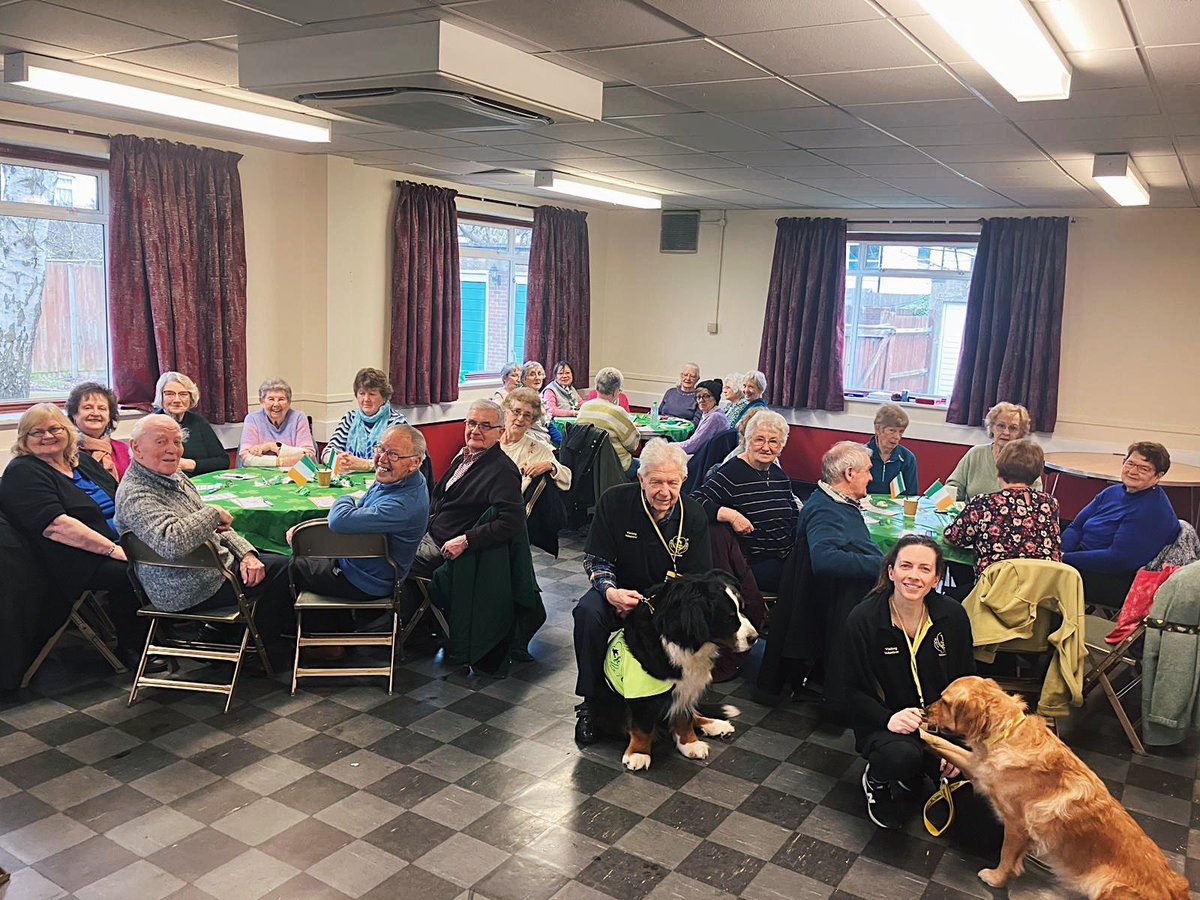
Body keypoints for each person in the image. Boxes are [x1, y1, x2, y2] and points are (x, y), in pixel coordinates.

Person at [573, 439, 712, 745]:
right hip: (619, 592)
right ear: (640, 478)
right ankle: (590, 703)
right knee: (587, 613)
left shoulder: (695, 515)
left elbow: (697, 582)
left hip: (667, 605)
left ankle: (676, 706)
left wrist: (657, 608)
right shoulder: (614, 501)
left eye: (672, 482)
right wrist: (610, 592)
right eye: (656, 482)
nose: (664, 491)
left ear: (683, 480)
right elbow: (596, 560)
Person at [115, 415, 292, 638]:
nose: (173, 450)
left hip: (213, 569)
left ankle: (232, 636)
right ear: (136, 448)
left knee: (270, 558)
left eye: (177, 442)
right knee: (286, 569)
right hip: (186, 588)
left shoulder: (174, 476)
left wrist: (246, 553)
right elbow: (172, 543)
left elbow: (216, 527)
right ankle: (258, 648)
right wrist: (213, 512)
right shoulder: (136, 494)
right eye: (161, 442)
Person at [0, 404, 147, 668]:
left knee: (172, 552)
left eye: (54, 428)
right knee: (131, 572)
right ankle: (132, 647)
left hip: (118, 541)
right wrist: (114, 550)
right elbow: (57, 527)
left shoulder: (81, 461)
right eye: (37, 432)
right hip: (72, 558)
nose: (48, 436)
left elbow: (121, 496)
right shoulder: (23, 472)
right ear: (24, 438)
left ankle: (173, 633)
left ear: (67, 431)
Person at [844, 535, 975, 830]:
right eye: (905, 566)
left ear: (936, 578)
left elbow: (968, 683)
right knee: (902, 756)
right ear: (891, 572)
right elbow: (848, 689)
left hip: (942, 728)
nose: (913, 576)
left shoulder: (953, 616)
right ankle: (877, 779)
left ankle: (926, 769)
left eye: (924, 569)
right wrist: (888, 718)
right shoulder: (863, 619)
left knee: (983, 822)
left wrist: (957, 746)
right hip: (886, 726)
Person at [289, 425, 429, 650]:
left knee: (282, 566)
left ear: (415, 462)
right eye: (380, 449)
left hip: (365, 581)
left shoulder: (403, 504)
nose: (382, 459)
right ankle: (333, 635)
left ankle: (309, 645)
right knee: (297, 554)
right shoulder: (397, 480)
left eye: (393, 454)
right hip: (356, 564)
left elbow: (340, 520)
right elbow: (356, 512)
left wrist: (343, 496)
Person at [410, 400, 525, 577]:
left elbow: (513, 522)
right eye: (471, 423)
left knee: (380, 559)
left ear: (500, 432)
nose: (475, 430)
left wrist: (466, 540)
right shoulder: (464, 457)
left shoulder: (503, 471)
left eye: (485, 426)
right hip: (427, 533)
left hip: (444, 549)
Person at [1062, 441, 1182, 608]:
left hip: (1114, 577)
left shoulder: (1152, 509)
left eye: (1144, 468)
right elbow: (1076, 526)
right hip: (1083, 557)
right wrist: (1060, 551)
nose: (1133, 471)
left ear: (1158, 476)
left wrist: (1063, 559)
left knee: (1040, 576)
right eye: (1130, 463)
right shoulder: (1113, 491)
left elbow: (1117, 560)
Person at [694, 410, 800, 592]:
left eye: (773, 441)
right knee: (810, 580)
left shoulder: (777, 473)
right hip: (754, 564)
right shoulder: (733, 472)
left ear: (781, 446)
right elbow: (694, 502)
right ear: (747, 440)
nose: (766, 447)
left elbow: (793, 513)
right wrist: (731, 515)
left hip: (785, 556)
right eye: (759, 439)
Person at [944, 440, 1061, 583]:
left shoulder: (984, 503)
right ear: (1036, 475)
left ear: (998, 469)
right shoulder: (1050, 504)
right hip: (1040, 590)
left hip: (994, 592)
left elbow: (953, 538)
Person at [799, 441, 884, 581]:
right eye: (867, 471)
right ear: (849, 473)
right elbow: (824, 560)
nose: (871, 477)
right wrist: (883, 565)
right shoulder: (824, 511)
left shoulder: (831, 502)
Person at [945, 401, 1041, 501]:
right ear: (992, 427)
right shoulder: (975, 454)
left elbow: (1036, 498)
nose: (1006, 432)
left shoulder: (1028, 460)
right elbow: (953, 487)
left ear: (1020, 432)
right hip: (972, 514)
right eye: (1001, 426)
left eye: (1013, 428)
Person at [322, 367, 408, 472]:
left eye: (372, 394)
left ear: (384, 397)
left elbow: (398, 462)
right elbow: (327, 452)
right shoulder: (350, 418)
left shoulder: (397, 423)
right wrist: (337, 460)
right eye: (362, 393)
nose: (366, 399)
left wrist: (364, 465)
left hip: (385, 484)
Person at [153, 371, 228, 475]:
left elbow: (223, 461)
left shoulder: (199, 423)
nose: (177, 400)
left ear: (191, 397)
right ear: (161, 396)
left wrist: (190, 464)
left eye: (183, 394)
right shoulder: (151, 425)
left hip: (200, 485)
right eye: (170, 394)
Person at [499, 388, 572, 494]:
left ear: (532, 422)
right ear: (506, 413)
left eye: (527, 415)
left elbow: (567, 479)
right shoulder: (490, 442)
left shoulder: (538, 449)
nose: (520, 418)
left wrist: (551, 466)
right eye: (516, 412)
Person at [238, 377, 316, 468]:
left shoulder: (298, 418)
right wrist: (280, 461)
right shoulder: (252, 419)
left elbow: (309, 455)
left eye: (281, 399)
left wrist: (273, 447)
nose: (276, 404)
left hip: (293, 476)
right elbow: (246, 459)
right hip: (259, 477)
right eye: (271, 399)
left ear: (289, 402)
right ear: (262, 402)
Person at [576, 366, 640, 477]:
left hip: (588, 465)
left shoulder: (584, 408)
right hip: (617, 466)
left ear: (596, 387)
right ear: (615, 391)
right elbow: (633, 446)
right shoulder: (618, 412)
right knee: (649, 467)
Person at [67, 381, 130, 481]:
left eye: (102, 408)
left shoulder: (123, 449)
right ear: (74, 414)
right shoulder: (66, 451)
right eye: (88, 407)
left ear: (109, 416)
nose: (96, 413)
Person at [866, 403, 918, 496]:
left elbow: (911, 496)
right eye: (892, 430)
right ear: (878, 429)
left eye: (901, 431)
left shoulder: (907, 458)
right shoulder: (862, 456)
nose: (897, 437)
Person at [676, 379, 730, 456]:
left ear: (715, 399)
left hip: (702, 459)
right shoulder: (709, 413)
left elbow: (692, 446)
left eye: (706, 396)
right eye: (698, 397)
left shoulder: (715, 417)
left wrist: (668, 446)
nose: (701, 400)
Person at [521, 361, 563, 445]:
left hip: (544, 436)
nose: (537, 378)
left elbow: (548, 424)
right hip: (530, 440)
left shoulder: (539, 396)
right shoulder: (521, 398)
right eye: (532, 374)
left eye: (540, 374)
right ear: (523, 379)